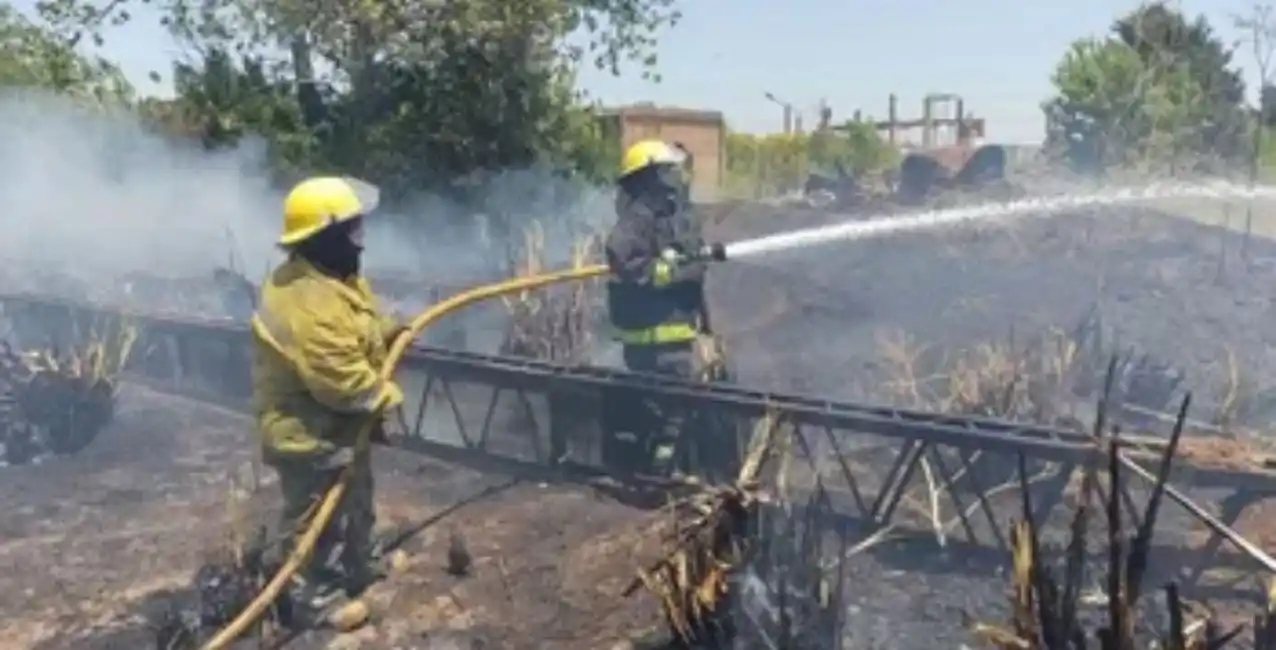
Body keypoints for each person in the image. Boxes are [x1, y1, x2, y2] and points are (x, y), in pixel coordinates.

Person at [249, 176, 406, 626]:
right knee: (315, 517)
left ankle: (360, 565)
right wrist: (388, 398)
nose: (361, 241)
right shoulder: (306, 302)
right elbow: (342, 382)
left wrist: (393, 329)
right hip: (306, 431)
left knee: (356, 496)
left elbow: (362, 324)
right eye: (353, 230)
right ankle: (313, 599)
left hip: (337, 425)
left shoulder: (333, 274)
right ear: (325, 235)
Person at [603, 140, 715, 476]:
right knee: (674, 410)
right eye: (667, 170)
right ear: (648, 176)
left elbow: (694, 265)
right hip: (650, 338)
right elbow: (620, 256)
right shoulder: (639, 216)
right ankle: (661, 474)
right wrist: (663, 271)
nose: (675, 177)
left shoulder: (677, 215)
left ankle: (660, 469)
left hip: (676, 333)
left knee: (672, 410)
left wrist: (705, 327)